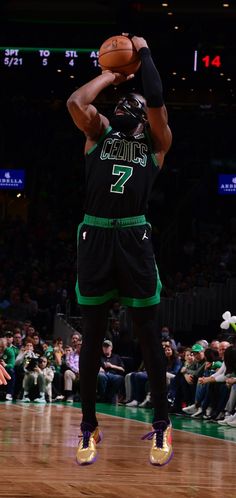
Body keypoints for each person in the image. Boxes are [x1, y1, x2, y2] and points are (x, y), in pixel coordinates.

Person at [67, 33, 173, 466]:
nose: (130, 107)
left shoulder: (157, 142)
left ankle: (163, 427)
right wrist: (108, 74)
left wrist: (144, 51)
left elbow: (156, 94)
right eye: (121, 103)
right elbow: (76, 102)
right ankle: (89, 427)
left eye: (137, 105)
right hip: (95, 236)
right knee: (91, 339)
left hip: (134, 237)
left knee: (148, 336)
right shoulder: (100, 132)